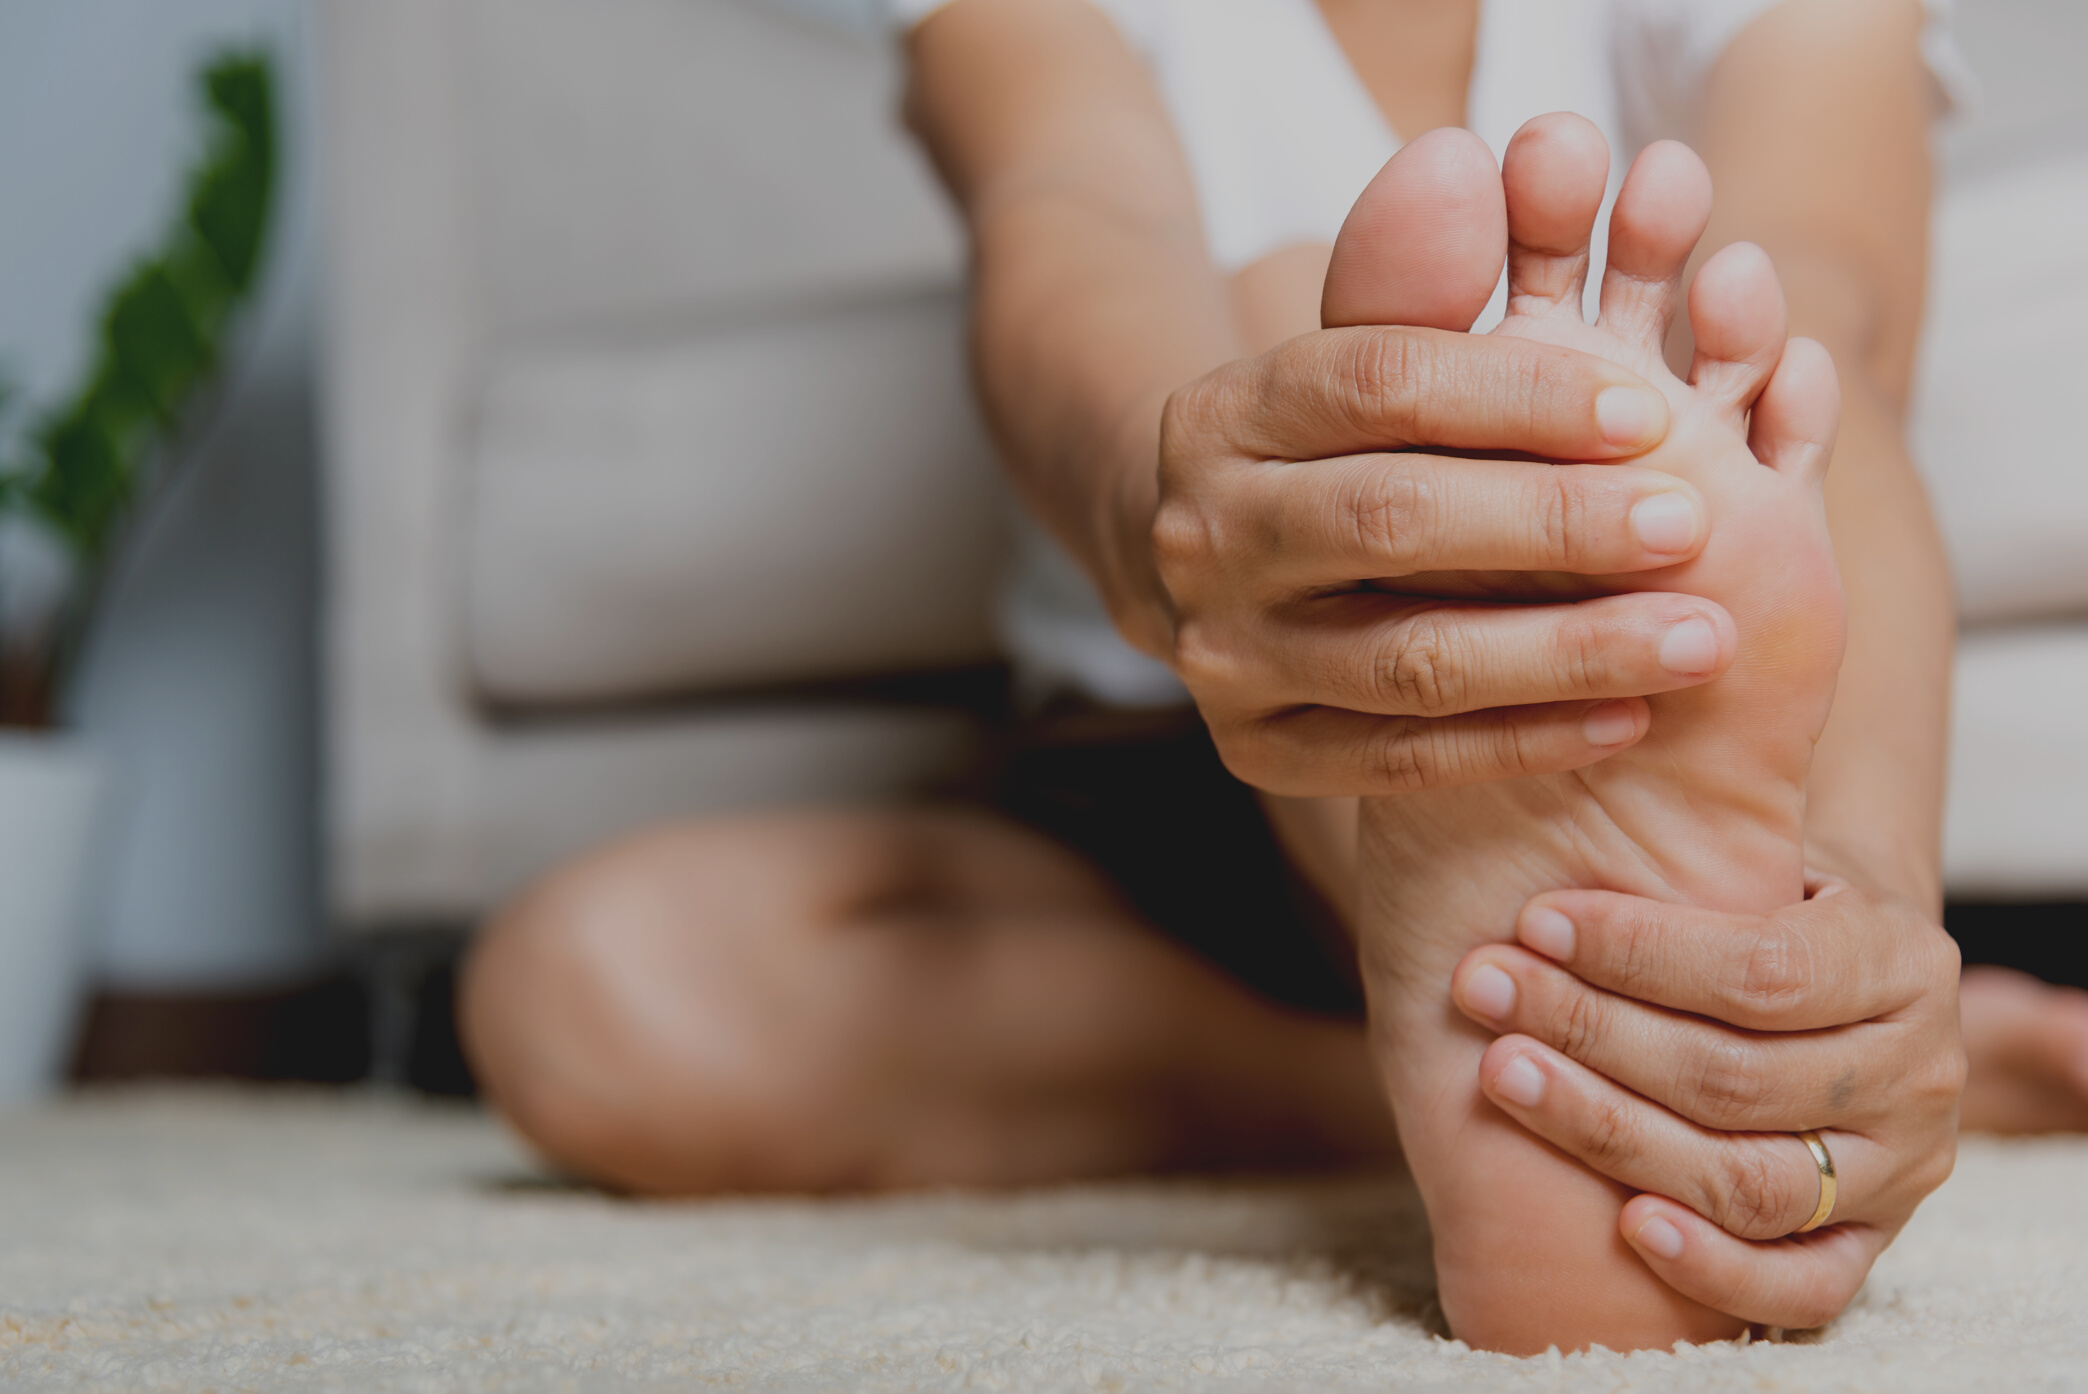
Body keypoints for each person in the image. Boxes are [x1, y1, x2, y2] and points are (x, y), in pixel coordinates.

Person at [455, 0, 2075, 1351]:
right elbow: (1072, 227)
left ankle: (1569, 987)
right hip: (1170, 731)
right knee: (587, 993)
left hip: (1626, 684)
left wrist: (1854, 905)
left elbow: (1824, 339)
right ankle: (1549, 1064)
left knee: (1666, 364)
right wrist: (1192, 516)